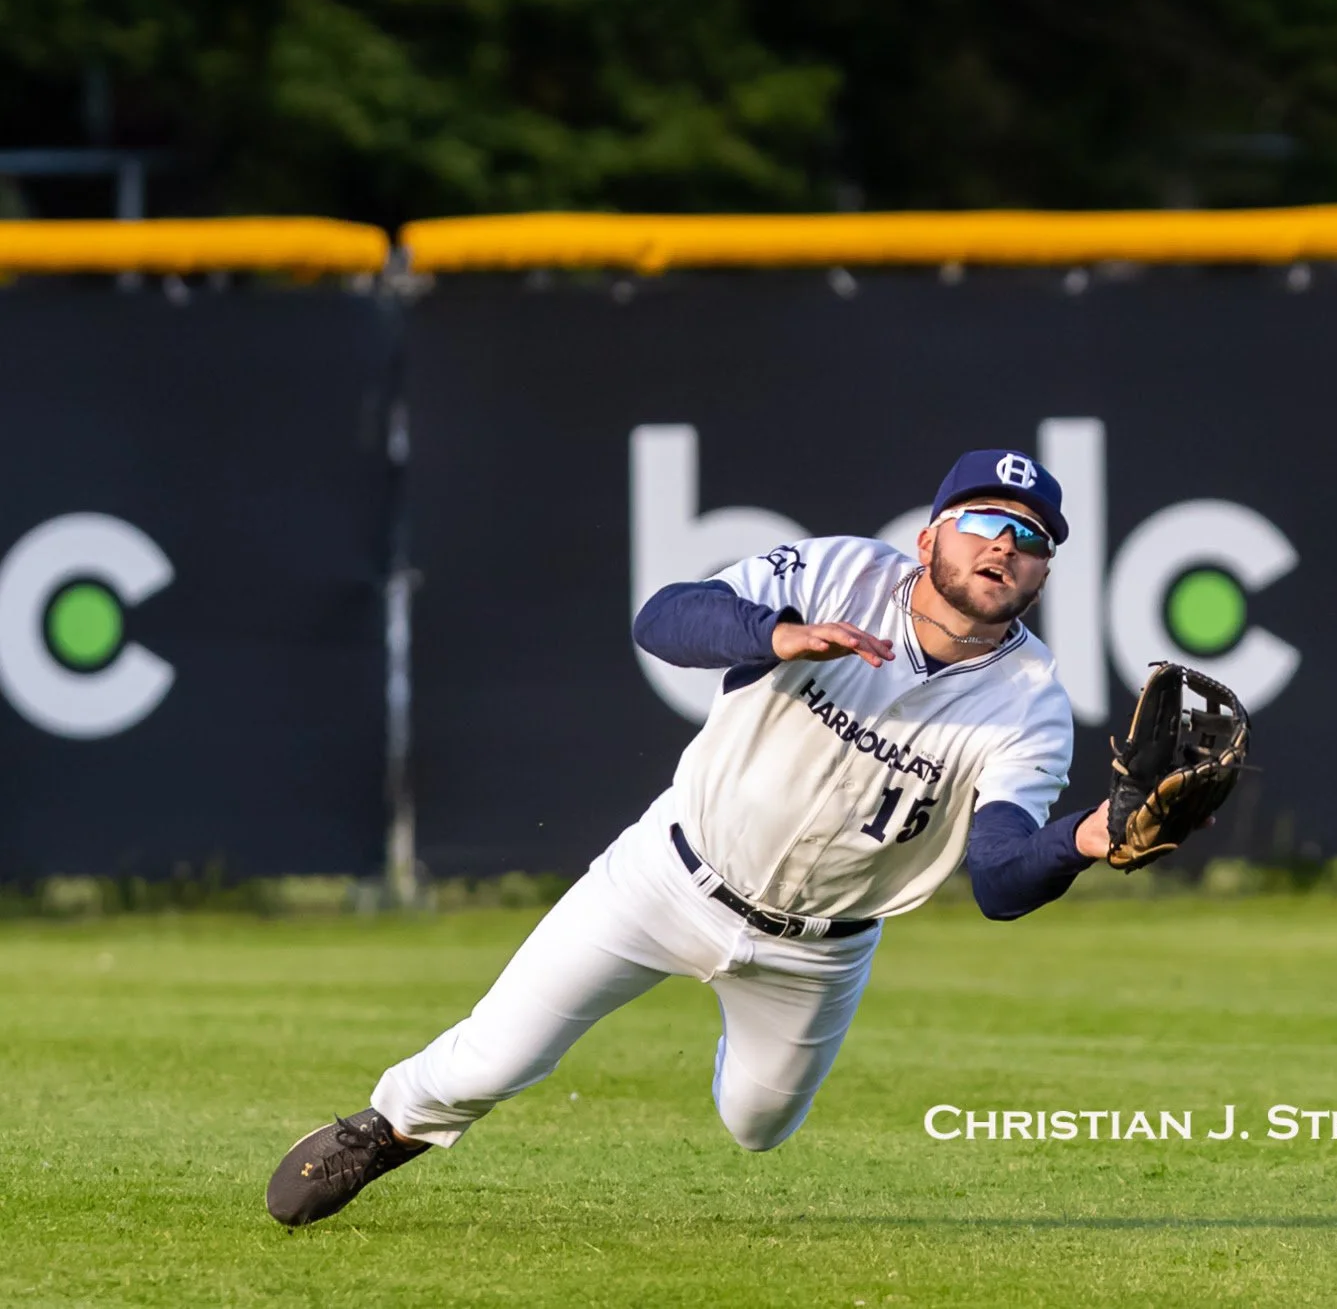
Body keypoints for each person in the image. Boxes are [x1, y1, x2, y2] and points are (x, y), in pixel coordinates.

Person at [267, 448, 1118, 1227]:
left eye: (1031, 538)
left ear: (1044, 572)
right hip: (666, 878)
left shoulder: (1032, 703)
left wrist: (1093, 833)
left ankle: (735, 1032)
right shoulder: (838, 572)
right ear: (931, 535)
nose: (1004, 545)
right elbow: (667, 617)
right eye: (985, 522)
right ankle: (386, 1125)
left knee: (758, 1126)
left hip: (818, 951)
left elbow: (1001, 879)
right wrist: (774, 632)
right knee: (486, 1064)